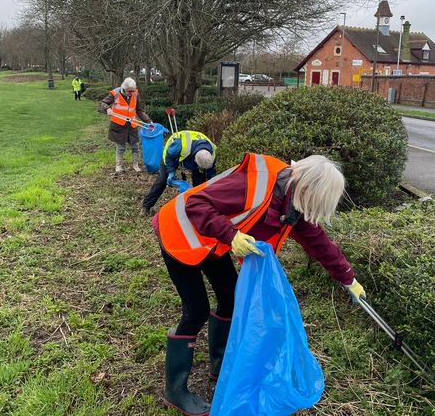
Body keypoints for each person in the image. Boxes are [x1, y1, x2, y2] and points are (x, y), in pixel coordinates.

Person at [152, 153, 365, 416]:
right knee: (195, 310)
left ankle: (220, 366)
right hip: (180, 231)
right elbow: (195, 204)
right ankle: (176, 390)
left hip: (213, 240)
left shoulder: (290, 201)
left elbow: (317, 240)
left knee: (231, 298)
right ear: (307, 186)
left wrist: (348, 277)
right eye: (313, 201)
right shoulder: (254, 184)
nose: (309, 210)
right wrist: (232, 235)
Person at [140, 130, 216, 217]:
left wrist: (211, 183)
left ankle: (198, 207)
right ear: (195, 160)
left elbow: (211, 173)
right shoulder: (180, 145)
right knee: (163, 180)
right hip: (172, 154)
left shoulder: (212, 154)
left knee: (200, 183)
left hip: (195, 156)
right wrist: (171, 172)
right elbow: (169, 157)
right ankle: (146, 206)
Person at [98, 77, 152, 173]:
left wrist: (148, 122)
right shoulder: (115, 93)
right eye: (129, 91)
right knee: (121, 147)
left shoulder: (135, 94)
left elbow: (139, 110)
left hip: (132, 124)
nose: (131, 93)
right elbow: (103, 103)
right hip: (118, 125)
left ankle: (135, 165)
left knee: (135, 146)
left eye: (133, 91)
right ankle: (119, 166)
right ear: (124, 88)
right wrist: (107, 109)